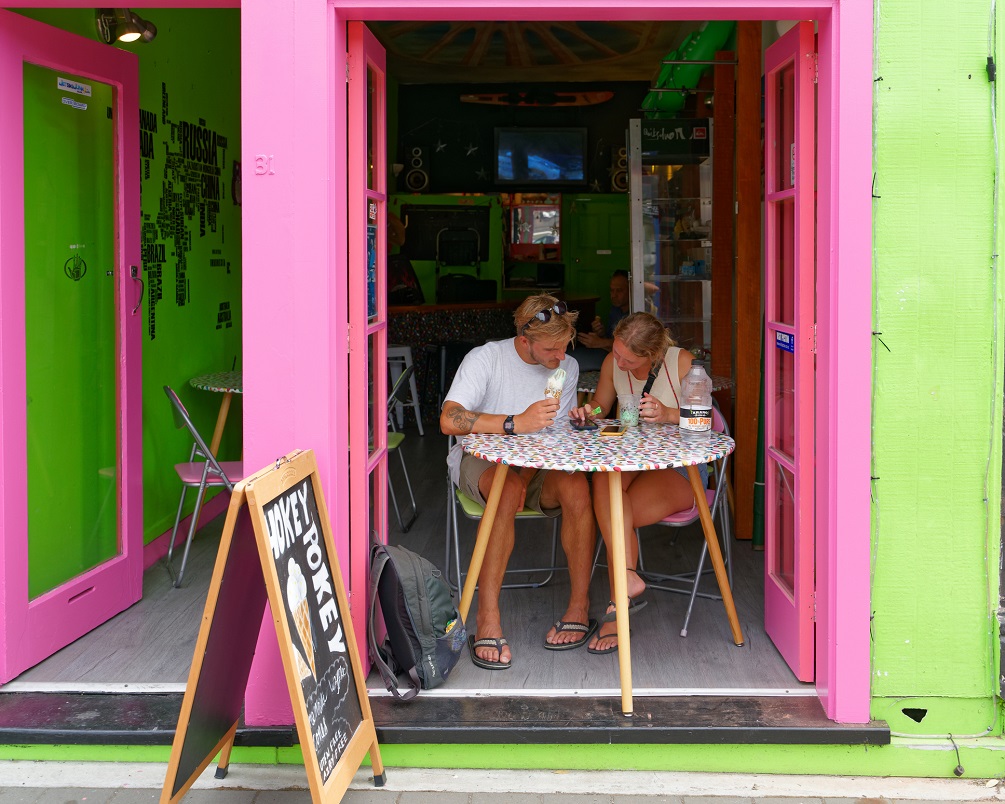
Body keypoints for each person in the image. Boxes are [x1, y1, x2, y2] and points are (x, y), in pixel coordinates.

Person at [440, 295, 598, 669]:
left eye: (566, 345)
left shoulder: (566, 366)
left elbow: (555, 433)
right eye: (552, 348)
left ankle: (580, 605)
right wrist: (514, 422)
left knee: (577, 488)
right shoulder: (487, 359)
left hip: (539, 465)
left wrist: (577, 422)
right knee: (506, 489)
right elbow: (449, 420)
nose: (561, 356)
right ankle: (487, 617)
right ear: (524, 340)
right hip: (480, 460)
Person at [568, 312, 709, 655]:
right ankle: (627, 579)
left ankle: (618, 605)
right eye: (616, 353)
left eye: (628, 360)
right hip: (629, 459)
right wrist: (588, 413)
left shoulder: (683, 364)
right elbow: (602, 405)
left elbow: (704, 421)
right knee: (605, 484)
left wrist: (668, 414)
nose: (618, 362)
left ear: (653, 354)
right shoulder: (612, 362)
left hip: (678, 466)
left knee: (615, 507)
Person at [577, 269, 631, 353]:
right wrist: (601, 333)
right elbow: (610, 340)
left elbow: (630, 346)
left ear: (630, 290)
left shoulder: (635, 313)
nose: (613, 295)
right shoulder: (615, 309)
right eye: (612, 290)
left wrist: (600, 342)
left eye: (619, 290)